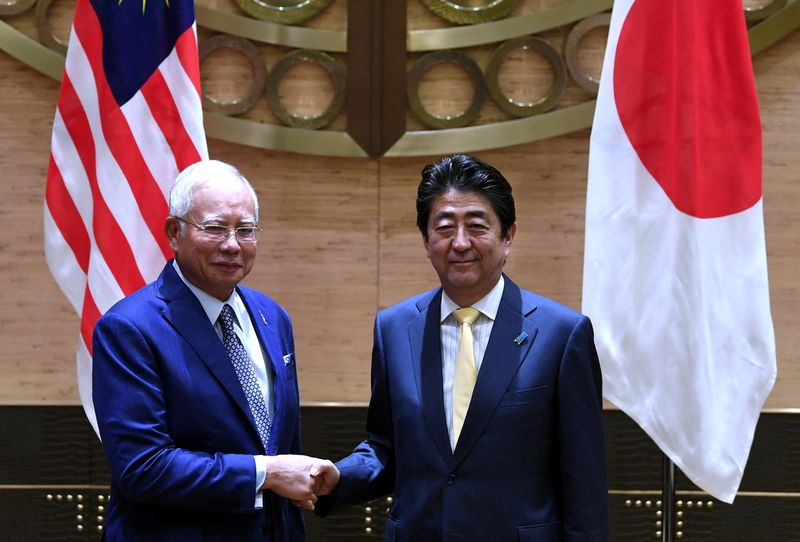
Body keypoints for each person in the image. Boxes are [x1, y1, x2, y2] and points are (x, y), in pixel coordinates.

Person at [318, 155, 609, 541]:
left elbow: (585, 485)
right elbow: (386, 450)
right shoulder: (394, 329)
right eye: (444, 228)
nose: (459, 243)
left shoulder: (562, 335)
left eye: (476, 226)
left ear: (508, 236)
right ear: (426, 241)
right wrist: (338, 477)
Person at [92, 160, 338, 541]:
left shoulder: (273, 317)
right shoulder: (129, 327)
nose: (232, 244)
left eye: (245, 230)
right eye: (215, 228)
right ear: (174, 232)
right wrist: (267, 473)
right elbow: (142, 467)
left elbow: (281, 442)